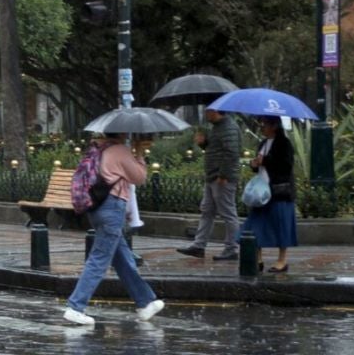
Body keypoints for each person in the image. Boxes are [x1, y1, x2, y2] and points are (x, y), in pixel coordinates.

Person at [63, 133, 164, 325]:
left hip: (97, 208)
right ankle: (75, 306)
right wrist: (140, 154)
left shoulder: (96, 149)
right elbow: (140, 177)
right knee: (99, 258)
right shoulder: (119, 150)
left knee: (122, 257)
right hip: (112, 207)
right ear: (121, 133)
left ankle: (145, 303)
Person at [177, 109, 242, 261]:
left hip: (221, 178)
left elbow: (231, 152)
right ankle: (199, 245)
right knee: (207, 211)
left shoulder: (229, 128)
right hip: (212, 176)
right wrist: (204, 143)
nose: (206, 114)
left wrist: (223, 175)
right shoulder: (217, 127)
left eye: (208, 111)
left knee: (228, 212)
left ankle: (232, 248)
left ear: (216, 111)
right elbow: (216, 150)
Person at [242, 116, 297, 273]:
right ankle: (257, 258)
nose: (262, 127)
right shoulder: (263, 143)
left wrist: (265, 161)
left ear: (274, 126)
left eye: (265, 124)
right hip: (262, 191)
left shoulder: (284, 144)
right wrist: (254, 164)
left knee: (281, 226)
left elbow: (286, 166)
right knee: (255, 225)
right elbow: (259, 164)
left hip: (279, 191)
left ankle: (282, 260)